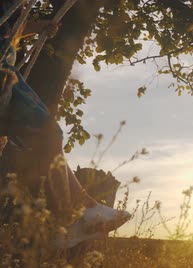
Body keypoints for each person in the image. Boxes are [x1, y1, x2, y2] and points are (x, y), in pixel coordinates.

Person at [0, 1, 131, 248]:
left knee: (49, 137)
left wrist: (36, 27)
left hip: (8, 75)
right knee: (47, 135)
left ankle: (77, 212)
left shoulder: (13, 8)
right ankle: (70, 218)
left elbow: (9, 28)